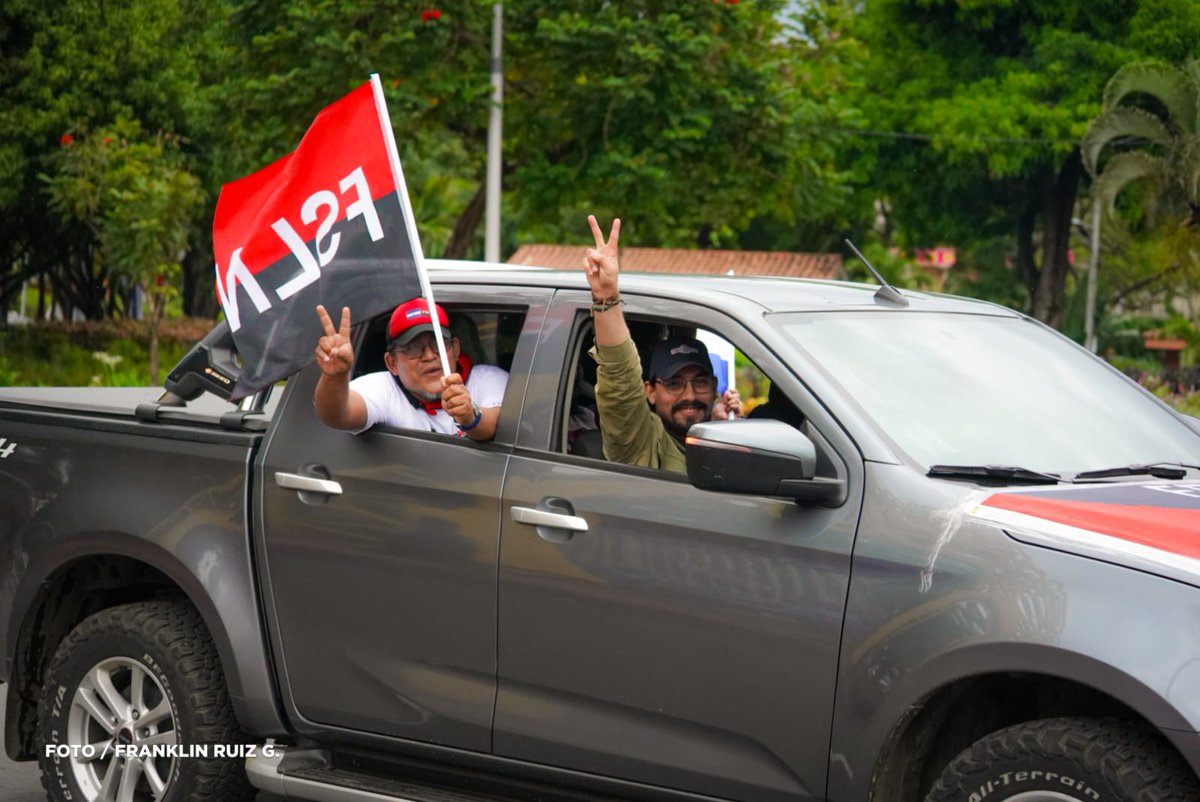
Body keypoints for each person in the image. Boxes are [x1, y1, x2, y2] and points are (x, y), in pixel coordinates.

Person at [582, 215, 741, 472]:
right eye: (674, 384)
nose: (689, 396)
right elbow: (620, 379)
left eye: (700, 382)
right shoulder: (642, 442)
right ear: (650, 392)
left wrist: (728, 429)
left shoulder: (719, 436)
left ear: (714, 387)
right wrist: (606, 298)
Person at [312, 297, 506, 440]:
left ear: (455, 348)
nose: (429, 356)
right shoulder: (383, 388)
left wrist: (469, 415)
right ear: (392, 363)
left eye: (438, 344)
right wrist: (335, 377)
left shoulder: (490, 379)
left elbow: (495, 425)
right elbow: (337, 414)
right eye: (413, 348)